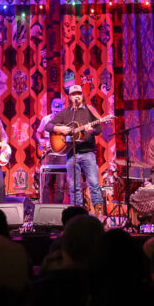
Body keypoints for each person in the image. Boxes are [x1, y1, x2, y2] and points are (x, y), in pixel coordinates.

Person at [49, 84, 106, 219]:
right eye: (74, 94)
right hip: (71, 153)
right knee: (74, 187)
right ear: (70, 97)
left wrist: (92, 130)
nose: (77, 96)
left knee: (94, 184)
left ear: (82, 96)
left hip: (88, 152)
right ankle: (77, 215)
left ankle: (99, 215)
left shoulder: (89, 110)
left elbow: (99, 129)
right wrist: (60, 129)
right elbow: (48, 126)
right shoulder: (66, 113)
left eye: (79, 94)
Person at [36, 97, 67, 203]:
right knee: (44, 181)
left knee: (61, 183)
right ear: (51, 107)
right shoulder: (46, 119)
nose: (55, 112)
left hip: (61, 153)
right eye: (54, 109)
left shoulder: (66, 121)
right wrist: (40, 140)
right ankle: (44, 206)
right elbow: (38, 132)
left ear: (63, 109)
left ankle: (58, 207)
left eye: (58, 110)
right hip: (47, 152)